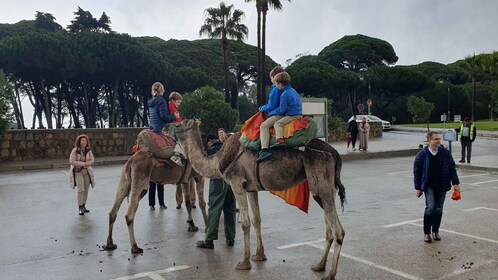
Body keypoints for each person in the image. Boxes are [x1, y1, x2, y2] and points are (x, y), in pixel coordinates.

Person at [413, 131, 461, 243]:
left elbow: (452, 169)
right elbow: (417, 171)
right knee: (430, 207)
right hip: (429, 185)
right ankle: (427, 233)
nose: (438, 140)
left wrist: (456, 184)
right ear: (429, 140)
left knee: (439, 209)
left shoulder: (445, 153)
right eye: (436, 139)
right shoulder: (422, 154)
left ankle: (435, 231)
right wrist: (418, 188)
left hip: (442, 184)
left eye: (439, 138)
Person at [196, 134, 236, 249]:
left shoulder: (212, 150)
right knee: (230, 208)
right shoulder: (226, 147)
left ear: (209, 141)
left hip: (218, 180)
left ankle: (209, 239)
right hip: (231, 180)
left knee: (214, 208)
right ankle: (230, 238)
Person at [257, 71, 302, 162]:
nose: (274, 85)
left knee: (269, 125)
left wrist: (268, 111)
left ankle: (265, 149)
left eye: (276, 83)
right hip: (296, 113)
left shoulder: (283, 94)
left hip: (291, 114)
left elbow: (281, 110)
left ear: (280, 84)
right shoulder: (293, 90)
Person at [148, 82, 183, 166]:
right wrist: (174, 116)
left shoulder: (150, 101)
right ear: (161, 91)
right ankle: (176, 155)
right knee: (181, 137)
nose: (164, 91)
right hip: (161, 128)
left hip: (152, 127)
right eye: (163, 89)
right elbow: (164, 117)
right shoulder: (161, 101)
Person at [69, 134, 96, 216]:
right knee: (81, 190)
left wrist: (84, 164)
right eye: (83, 141)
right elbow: (72, 161)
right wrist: (84, 163)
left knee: (86, 190)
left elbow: (92, 161)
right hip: (78, 172)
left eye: (86, 141)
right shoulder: (75, 150)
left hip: (87, 171)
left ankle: (84, 206)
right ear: (79, 142)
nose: (85, 142)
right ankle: (80, 207)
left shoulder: (89, 150)